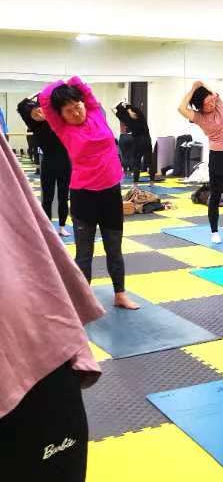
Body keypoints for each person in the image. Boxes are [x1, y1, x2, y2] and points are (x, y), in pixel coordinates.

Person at [0, 131, 104, 482]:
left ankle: (118, 290)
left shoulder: (93, 124)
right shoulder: (54, 124)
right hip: (81, 188)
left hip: (30, 334)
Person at [39, 76, 139, 310]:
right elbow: (44, 98)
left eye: (78, 106)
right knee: (84, 252)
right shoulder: (62, 128)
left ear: (84, 103)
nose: (76, 113)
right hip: (83, 196)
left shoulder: (95, 112)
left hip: (111, 193)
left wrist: (71, 84)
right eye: (68, 111)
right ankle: (83, 302)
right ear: (60, 115)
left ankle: (120, 294)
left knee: (114, 248)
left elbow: (81, 84)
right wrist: (62, 86)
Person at [178, 81, 223, 244]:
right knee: (215, 195)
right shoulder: (199, 117)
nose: (212, 104)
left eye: (212, 100)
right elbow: (181, 108)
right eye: (207, 104)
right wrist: (193, 89)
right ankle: (214, 231)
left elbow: (211, 93)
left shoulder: (218, 103)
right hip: (218, 157)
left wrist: (203, 87)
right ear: (200, 107)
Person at [17, 95, 72, 236]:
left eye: (40, 109)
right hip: (48, 162)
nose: (38, 113)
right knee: (47, 197)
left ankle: (61, 226)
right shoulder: (34, 124)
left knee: (63, 196)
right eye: (35, 111)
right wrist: (36, 95)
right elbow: (21, 107)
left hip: (64, 162)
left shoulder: (57, 119)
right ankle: (47, 229)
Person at [114, 101, 156, 186]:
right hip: (146, 139)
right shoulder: (137, 112)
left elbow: (117, 112)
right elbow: (130, 108)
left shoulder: (123, 116)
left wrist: (122, 107)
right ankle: (152, 181)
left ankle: (135, 182)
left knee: (136, 161)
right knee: (150, 161)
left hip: (137, 140)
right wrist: (128, 108)